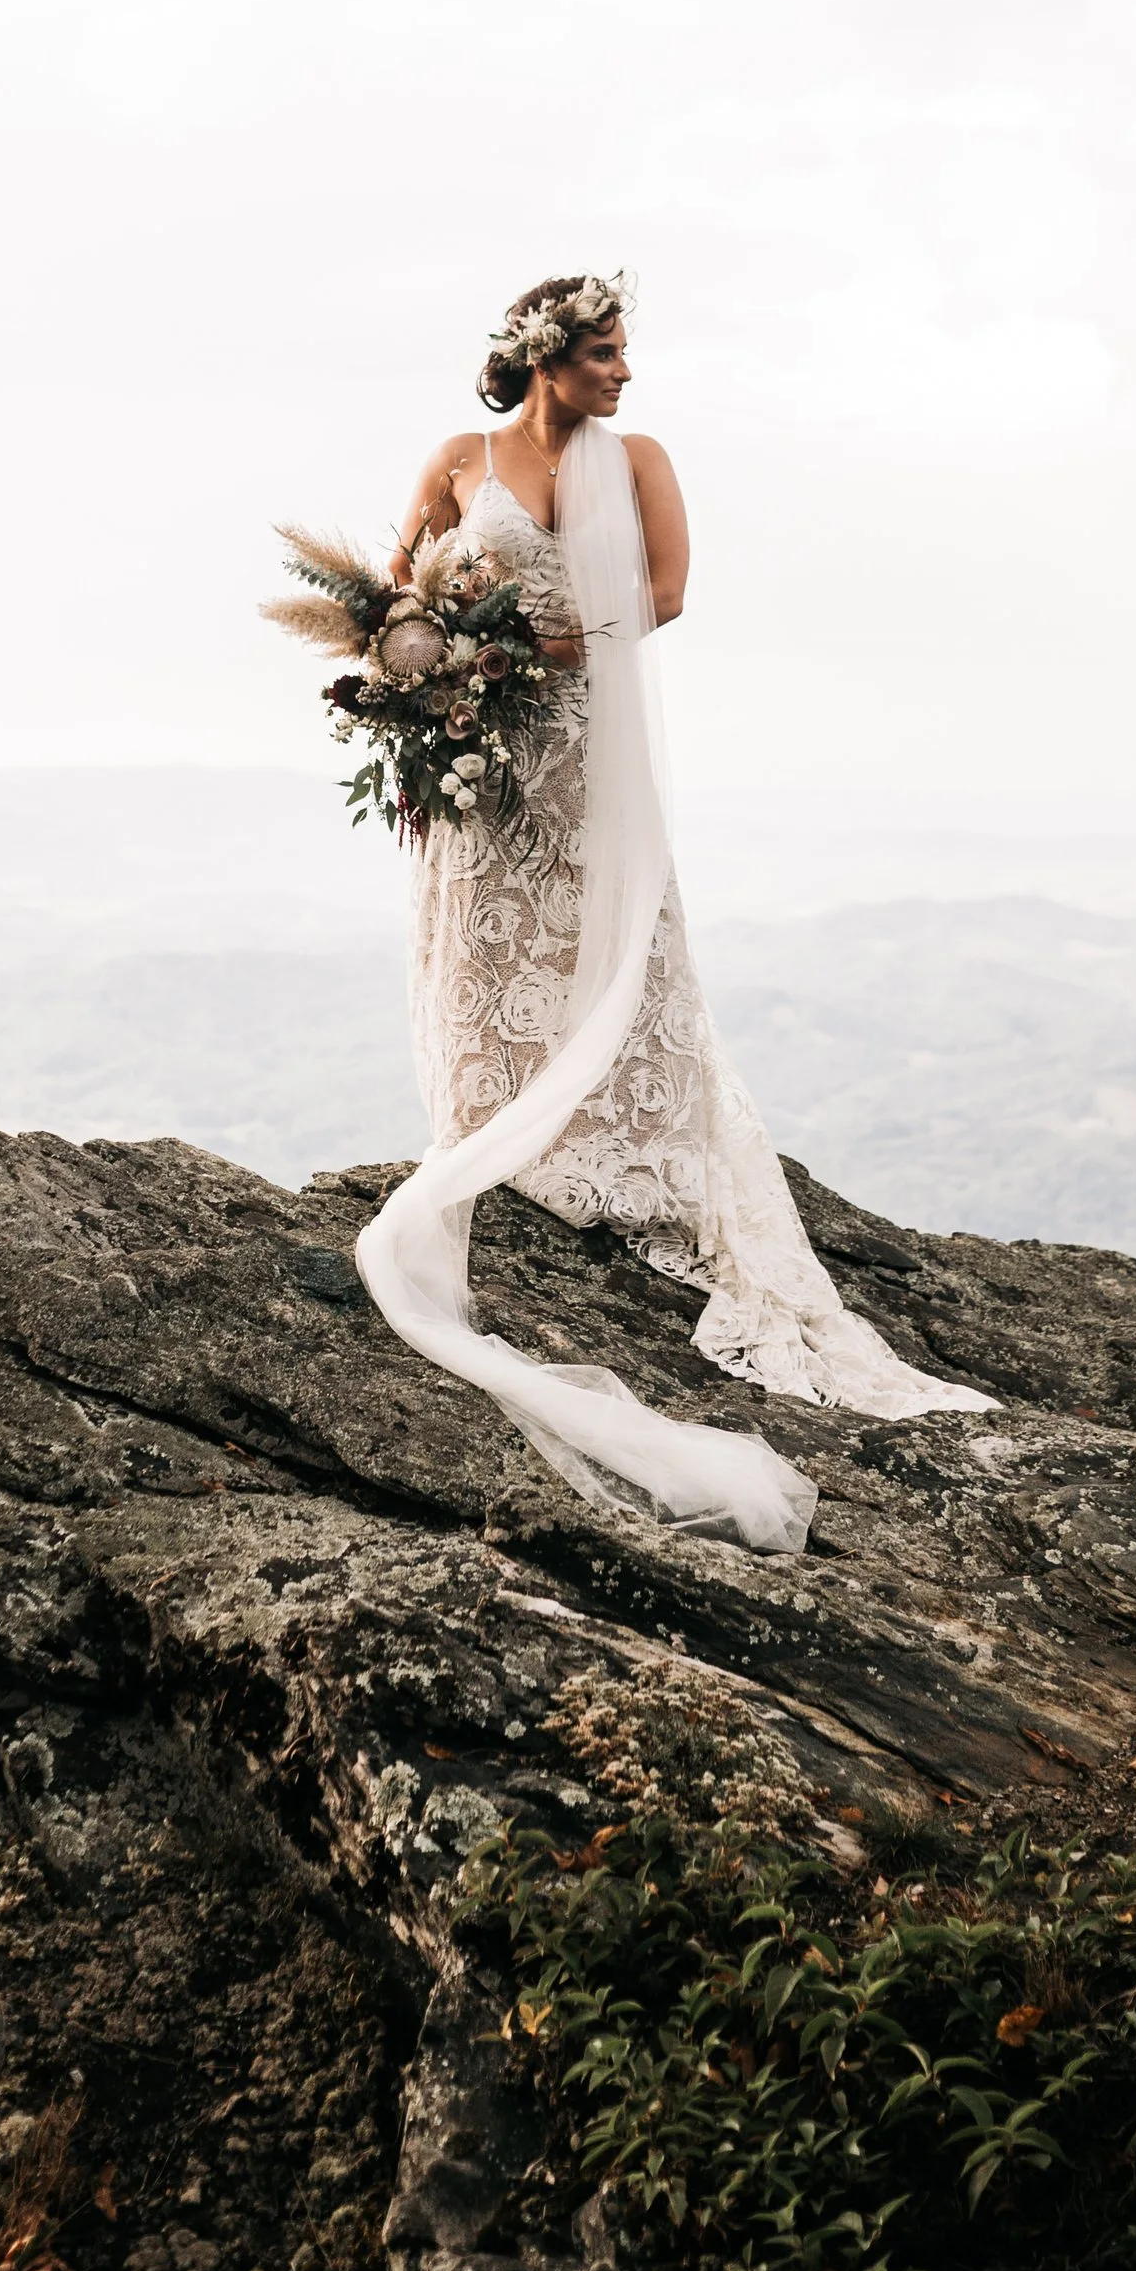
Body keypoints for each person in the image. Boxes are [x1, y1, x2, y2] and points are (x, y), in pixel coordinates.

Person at [352, 270, 994, 1554]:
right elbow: (394, 592)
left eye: (622, 353)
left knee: (613, 937)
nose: (624, 373)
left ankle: (609, 1143)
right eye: (602, 353)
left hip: (585, 738)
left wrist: (518, 650)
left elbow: (668, 594)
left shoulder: (638, 458)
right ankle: (490, 1126)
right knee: (484, 936)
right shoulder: (457, 457)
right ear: (544, 359)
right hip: (486, 752)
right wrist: (433, 667)